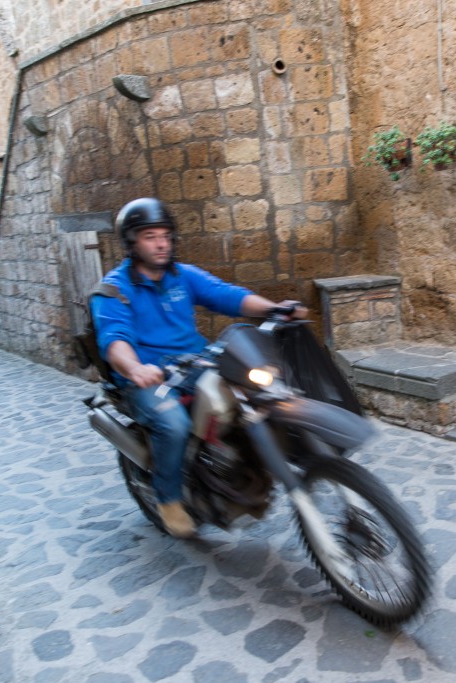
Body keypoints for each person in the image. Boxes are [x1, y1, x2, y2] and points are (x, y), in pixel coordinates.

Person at [92, 197, 306, 538]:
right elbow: (114, 340)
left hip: (195, 364)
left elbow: (226, 295)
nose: (161, 243)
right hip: (148, 379)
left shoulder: (182, 276)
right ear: (132, 242)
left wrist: (273, 309)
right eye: (150, 236)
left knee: (259, 394)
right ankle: (169, 499)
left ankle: (241, 468)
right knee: (173, 423)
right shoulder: (114, 290)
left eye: (165, 235)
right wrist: (134, 368)